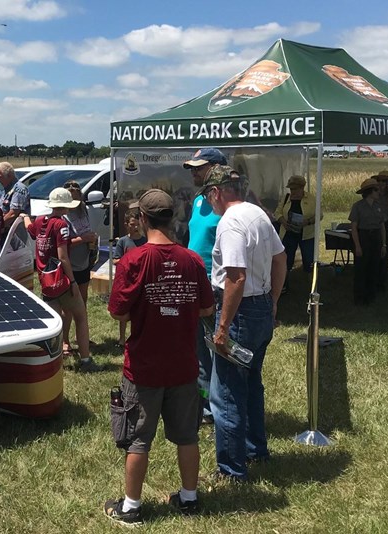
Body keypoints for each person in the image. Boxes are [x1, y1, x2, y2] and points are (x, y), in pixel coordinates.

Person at [104, 189, 215, 525]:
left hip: (144, 367)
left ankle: (132, 507)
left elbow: (117, 313)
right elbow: (208, 308)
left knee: (138, 440)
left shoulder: (134, 260)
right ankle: (189, 499)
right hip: (183, 365)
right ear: (172, 219)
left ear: (143, 219)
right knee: (187, 436)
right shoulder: (192, 260)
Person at [202, 167, 286, 483]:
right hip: (260, 304)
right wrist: (273, 301)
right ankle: (255, 449)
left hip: (240, 311)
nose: (210, 202)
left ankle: (232, 469)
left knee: (226, 392)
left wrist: (222, 329)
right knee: (251, 384)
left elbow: (235, 277)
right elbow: (280, 258)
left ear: (217, 192)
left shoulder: (230, 223)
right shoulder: (258, 214)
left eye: (210, 196)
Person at [22, 188, 101, 373]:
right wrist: (72, 282)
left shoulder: (41, 220)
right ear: (66, 207)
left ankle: (52, 360)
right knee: (81, 317)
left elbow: (30, 228)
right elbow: (63, 256)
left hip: (45, 280)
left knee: (54, 322)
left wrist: (24, 216)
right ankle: (86, 360)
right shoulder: (61, 225)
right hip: (62, 279)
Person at [182, 147, 229, 424]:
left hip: (216, 283)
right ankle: (206, 405)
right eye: (192, 167)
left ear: (216, 168)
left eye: (198, 167)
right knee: (198, 346)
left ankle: (219, 404)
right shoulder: (199, 199)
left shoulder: (228, 204)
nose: (194, 172)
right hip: (195, 281)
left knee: (216, 346)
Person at [61, 180, 98, 356]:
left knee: (82, 302)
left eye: (78, 198)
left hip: (83, 261)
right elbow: (63, 244)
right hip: (69, 264)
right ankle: (65, 340)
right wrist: (83, 239)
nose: (75, 204)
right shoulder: (63, 216)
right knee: (68, 305)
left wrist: (92, 242)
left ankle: (80, 335)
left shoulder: (84, 210)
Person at [275, 175, 321, 286]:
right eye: (291, 189)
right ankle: (283, 284)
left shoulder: (311, 199)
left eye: (295, 189)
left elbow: (320, 215)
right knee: (286, 260)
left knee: (309, 260)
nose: (293, 192)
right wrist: (284, 222)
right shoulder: (286, 198)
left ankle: (311, 285)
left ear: (302, 188)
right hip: (288, 234)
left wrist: (308, 222)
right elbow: (277, 213)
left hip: (306, 235)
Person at [349, 177, 386, 305]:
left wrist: (384, 244)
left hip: (376, 236)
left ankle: (371, 296)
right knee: (361, 268)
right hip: (363, 236)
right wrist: (357, 245)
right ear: (370, 192)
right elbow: (354, 227)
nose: (379, 192)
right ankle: (359, 297)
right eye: (376, 190)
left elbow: (382, 226)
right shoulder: (358, 206)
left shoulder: (379, 206)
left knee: (374, 266)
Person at [112, 209, 146, 347]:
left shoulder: (145, 241)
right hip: (126, 280)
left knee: (139, 310)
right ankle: (121, 338)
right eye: (132, 224)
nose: (135, 227)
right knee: (124, 310)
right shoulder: (123, 241)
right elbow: (115, 259)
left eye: (137, 224)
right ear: (126, 224)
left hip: (141, 279)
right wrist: (128, 263)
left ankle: (137, 336)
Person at [0, 161, 30, 230]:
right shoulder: (5, 191)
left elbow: (13, 213)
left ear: (9, 176)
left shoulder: (19, 189)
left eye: (0, 177)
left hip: (15, 233)